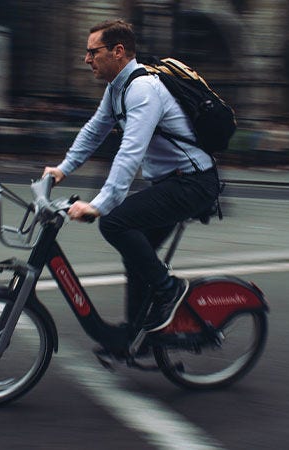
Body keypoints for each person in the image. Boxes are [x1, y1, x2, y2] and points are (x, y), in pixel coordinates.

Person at [42, 19, 221, 336]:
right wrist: (62, 169)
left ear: (118, 51)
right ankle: (135, 334)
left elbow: (130, 152)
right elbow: (94, 131)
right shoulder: (117, 89)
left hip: (193, 182)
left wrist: (100, 205)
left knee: (114, 222)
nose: (87, 59)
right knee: (136, 255)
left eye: (92, 51)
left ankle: (170, 290)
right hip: (173, 182)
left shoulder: (143, 90)